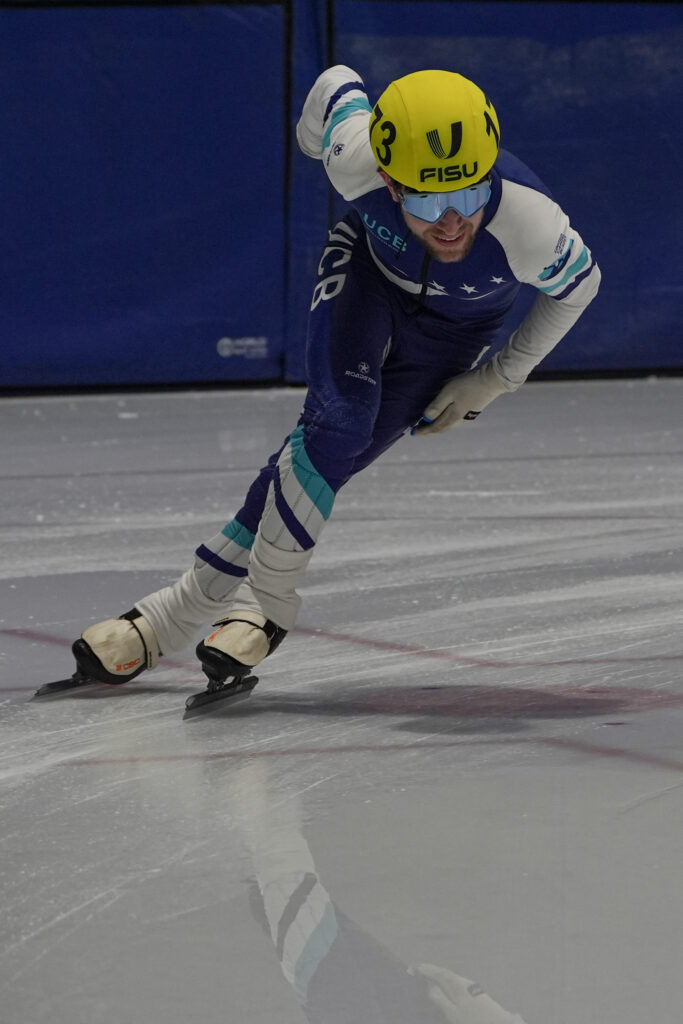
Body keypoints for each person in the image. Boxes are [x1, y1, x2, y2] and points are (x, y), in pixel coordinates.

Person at [70, 65, 601, 692]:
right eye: (427, 202)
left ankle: (171, 614)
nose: (451, 223)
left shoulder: (531, 224)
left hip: (452, 334)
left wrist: (492, 380)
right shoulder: (353, 156)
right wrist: (309, 137)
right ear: (388, 182)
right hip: (367, 278)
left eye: (468, 195)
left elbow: (579, 289)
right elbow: (338, 83)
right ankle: (266, 609)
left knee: (323, 458)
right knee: (338, 426)